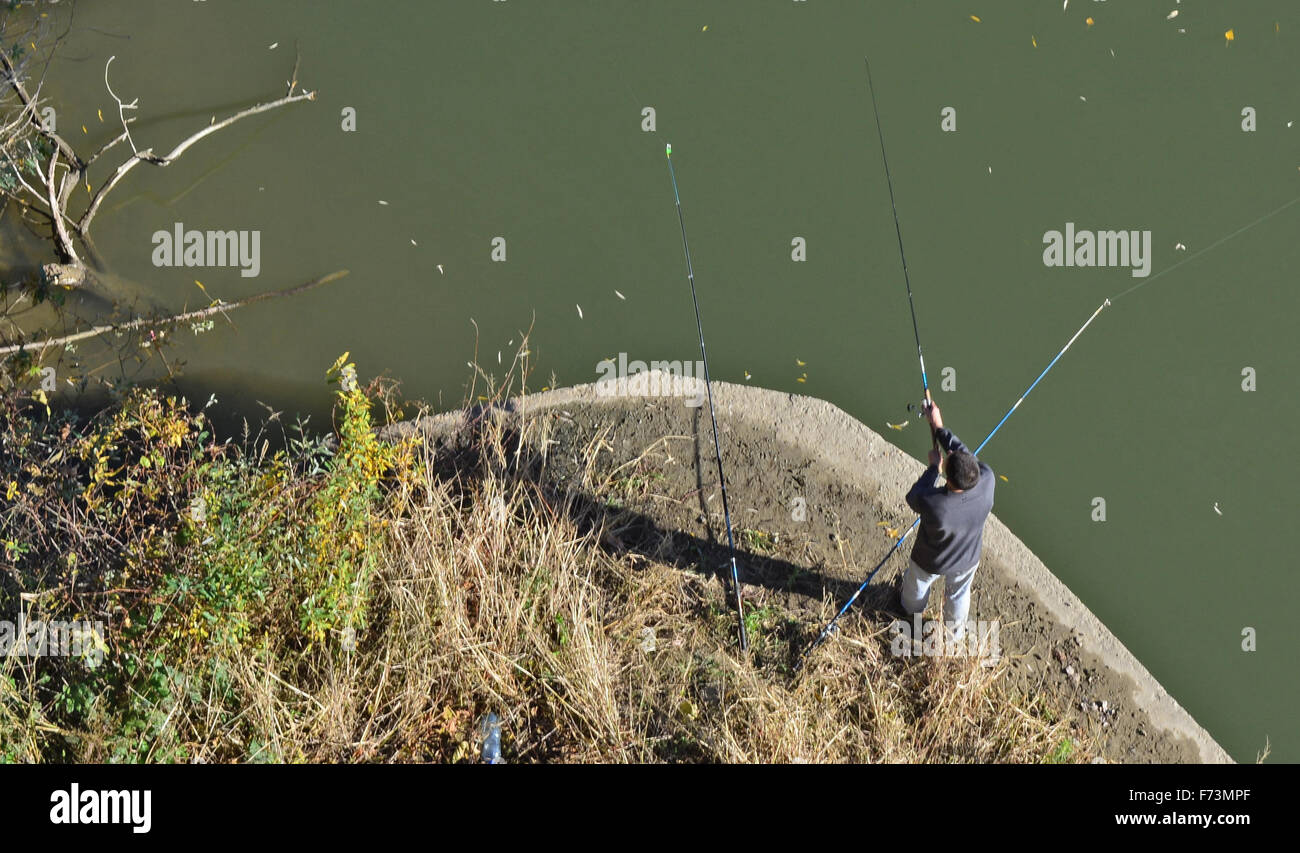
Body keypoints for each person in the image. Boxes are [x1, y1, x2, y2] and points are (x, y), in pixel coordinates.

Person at [898, 401, 995, 641]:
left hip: (931, 560)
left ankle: (910, 612)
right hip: (968, 558)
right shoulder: (987, 478)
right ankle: (954, 634)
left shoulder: (936, 505)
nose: (950, 452)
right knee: (959, 596)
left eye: (949, 458)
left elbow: (913, 497)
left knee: (917, 585)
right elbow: (964, 454)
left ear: (949, 481)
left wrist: (933, 468)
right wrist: (939, 427)